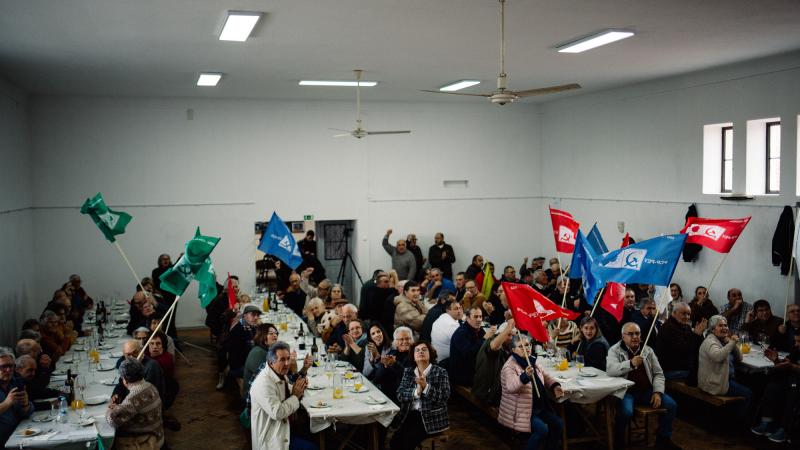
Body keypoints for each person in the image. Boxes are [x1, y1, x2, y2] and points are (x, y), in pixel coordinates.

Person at [607, 323, 680, 450]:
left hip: (647, 391)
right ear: (623, 336)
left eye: (637, 333)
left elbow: (658, 374)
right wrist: (630, 363)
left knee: (671, 405)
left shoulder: (647, 350)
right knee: (626, 412)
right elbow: (610, 370)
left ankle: (662, 440)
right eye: (630, 334)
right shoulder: (615, 350)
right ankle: (618, 441)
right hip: (626, 391)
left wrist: (657, 392)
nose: (635, 337)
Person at [498, 335, 564, 450]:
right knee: (542, 430)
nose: (526, 348)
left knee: (558, 424)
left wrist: (555, 386)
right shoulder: (509, 366)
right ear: (513, 350)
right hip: (520, 411)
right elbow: (511, 387)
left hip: (537, 407)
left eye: (528, 345)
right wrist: (524, 376)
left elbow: (545, 376)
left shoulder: (532, 360)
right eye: (521, 346)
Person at [249, 342, 317, 450]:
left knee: (312, 432)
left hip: (282, 428)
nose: (287, 363)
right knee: (312, 447)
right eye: (282, 360)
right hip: (271, 440)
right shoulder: (263, 384)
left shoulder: (279, 373)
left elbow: (290, 390)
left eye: (288, 358)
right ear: (271, 362)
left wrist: (300, 387)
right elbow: (278, 413)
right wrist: (295, 396)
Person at [389, 341, 450, 450]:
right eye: (417, 350)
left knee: (407, 442)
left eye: (424, 349)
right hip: (410, 415)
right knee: (394, 443)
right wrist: (416, 392)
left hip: (431, 418)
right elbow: (400, 394)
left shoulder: (441, 372)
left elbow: (444, 397)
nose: (420, 351)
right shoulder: (408, 372)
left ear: (430, 354)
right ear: (413, 356)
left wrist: (426, 387)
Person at [697, 315, 752, 420]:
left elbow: (740, 358)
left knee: (750, 383)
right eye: (720, 326)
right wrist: (732, 343)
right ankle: (737, 424)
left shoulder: (723, 340)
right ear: (713, 329)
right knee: (748, 394)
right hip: (715, 383)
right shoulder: (710, 341)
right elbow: (718, 356)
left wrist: (731, 343)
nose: (724, 328)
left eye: (726, 325)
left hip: (724, 378)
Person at [750, 333, 800, 444]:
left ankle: (784, 429)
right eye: (795, 341)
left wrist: (792, 367)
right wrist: (776, 360)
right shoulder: (796, 350)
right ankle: (766, 423)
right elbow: (787, 364)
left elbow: (791, 366)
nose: (796, 344)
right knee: (772, 387)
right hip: (790, 379)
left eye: (799, 342)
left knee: (793, 392)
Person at [106, 358, 164, 450]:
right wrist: (120, 407)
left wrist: (110, 408)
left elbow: (112, 420)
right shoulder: (149, 385)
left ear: (124, 379)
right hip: (158, 435)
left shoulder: (133, 396)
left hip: (146, 443)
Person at [655, 302, 705, 382]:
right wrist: (696, 335)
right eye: (684, 314)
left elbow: (697, 346)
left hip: (683, 367)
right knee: (700, 377)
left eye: (688, 314)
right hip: (670, 370)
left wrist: (699, 335)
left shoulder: (686, 327)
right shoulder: (668, 328)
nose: (687, 317)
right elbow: (683, 350)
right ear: (674, 313)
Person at [473, 316, 515, 406]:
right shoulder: (492, 342)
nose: (511, 338)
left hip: (495, 386)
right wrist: (508, 328)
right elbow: (493, 347)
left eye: (512, 335)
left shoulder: (507, 345)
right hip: (487, 392)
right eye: (508, 335)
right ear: (500, 333)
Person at [449, 306, 492, 386]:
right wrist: (485, 339)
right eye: (475, 317)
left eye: (480, 316)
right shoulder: (461, 333)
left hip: (472, 367)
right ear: (468, 318)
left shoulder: (477, 329)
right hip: (461, 374)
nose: (479, 320)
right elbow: (469, 354)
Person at [371, 327, 414, 403]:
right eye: (401, 339)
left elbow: (408, 377)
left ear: (412, 340)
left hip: (402, 397)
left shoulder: (415, 355)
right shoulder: (392, 353)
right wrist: (383, 365)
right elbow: (377, 377)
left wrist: (394, 364)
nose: (405, 341)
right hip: (385, 395)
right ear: (395, 342)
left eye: (408, 339)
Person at [0, 348, 32, 445]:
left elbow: (25, 413)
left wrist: (26, 405)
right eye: (3, 367)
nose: (8, 370)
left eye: (11, 366)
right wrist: (6, 403)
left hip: (20, 435)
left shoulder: (16, 382)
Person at [226, 305, 261, 383]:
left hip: (245, 361)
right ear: (245, 315)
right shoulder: (238, 331)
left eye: (257, 315)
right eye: (253, 314)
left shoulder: (248, 326)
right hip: (239, 367)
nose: (256, 317)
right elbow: (238, 356)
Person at [243, 323, 279, 397]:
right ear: (263, 336)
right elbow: (268, 379)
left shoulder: (265, 350)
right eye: (271, 333)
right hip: (253, 398)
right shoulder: (258, 353)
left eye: (276, 333)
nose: (275, 335)